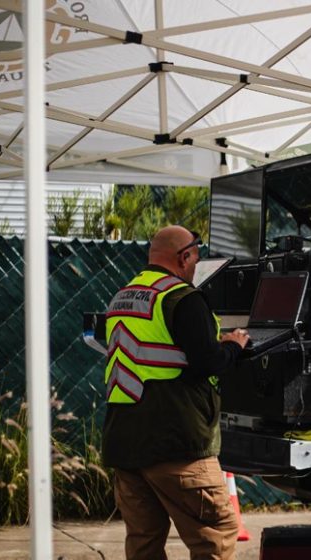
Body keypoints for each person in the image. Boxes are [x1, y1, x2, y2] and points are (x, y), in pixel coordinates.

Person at [102, 225, 250, 560]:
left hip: (125, 443)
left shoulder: (123, 295)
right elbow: (206, 362)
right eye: (196, 257)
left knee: (144, 543)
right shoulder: (183, 298)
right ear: (184, 257)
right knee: (216, 535)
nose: (197, 265)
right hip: (176, 442)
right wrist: (233, 347)